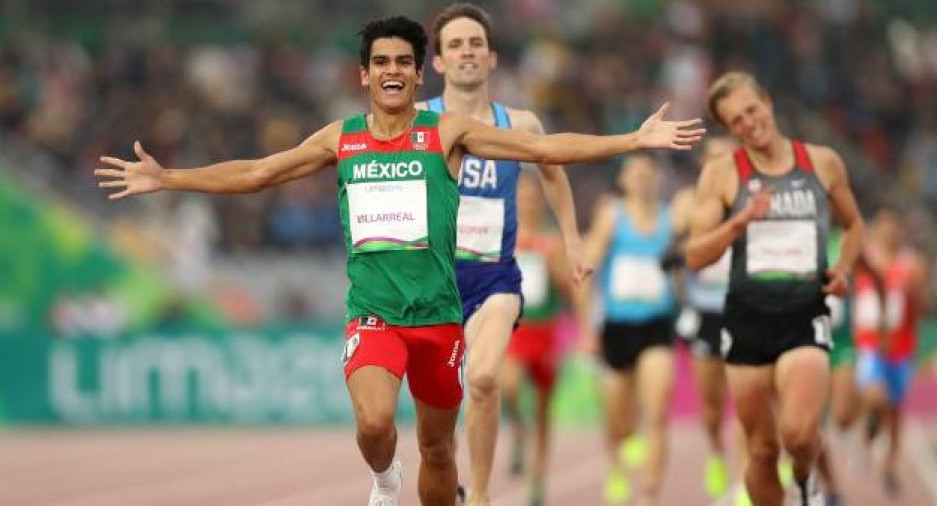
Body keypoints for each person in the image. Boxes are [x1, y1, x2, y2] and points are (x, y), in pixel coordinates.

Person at [95, 15, 704, 506]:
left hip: (439, 315)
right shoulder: (343, 138)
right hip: (375, 312)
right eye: (381, 62)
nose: (392, 71)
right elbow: (258, 172)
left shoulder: (446, 134)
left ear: (418, 75)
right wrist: (169, 177)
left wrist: (631, 140)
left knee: (439, 454)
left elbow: (542, 149)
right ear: (364, 75)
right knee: (374, 423)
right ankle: (385, 481)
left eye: (403, 63)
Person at [417, 5, 591, 504]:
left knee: (487, 377)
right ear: (440, 64)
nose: (467, 52)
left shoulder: (519, 124)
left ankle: (484, 495)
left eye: (475, 44)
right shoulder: (419, 122)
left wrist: (574, 240)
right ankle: (449, 486)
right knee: (438, 414)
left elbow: (554, 171)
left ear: (492, 59)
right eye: (455, 45)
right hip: (432, 282)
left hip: (494, 278)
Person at [686, 71, 866, 506]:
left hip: (804, 315)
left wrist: (842, 267)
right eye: (736, 121)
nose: (749, 123)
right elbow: (695, 255)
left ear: (767, 102)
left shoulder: (821, 162)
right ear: (730, 131)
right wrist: (739, 221)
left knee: (800, 434)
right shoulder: (722, 174)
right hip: (746, 320)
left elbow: (854, 224)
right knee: (763, 450)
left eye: (751, 110)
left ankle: (805, 479)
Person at [579, 153, 680, 506]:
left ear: (657, 179)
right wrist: (588, 327)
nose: (641, 179)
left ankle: (649, 494)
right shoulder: (612, 216)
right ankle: (618, 465)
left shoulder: (671, 219)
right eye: (634, 173)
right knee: (618, 418)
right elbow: (585, 269)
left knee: (657, 412)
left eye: (647, 173)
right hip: (616, 327)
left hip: (657, 325)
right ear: (622, 180)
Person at [498, 172, 571, 506]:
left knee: (543, 410)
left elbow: (568, 288)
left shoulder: (553, 239)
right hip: (515, 328)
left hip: (545, 329)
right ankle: (517, 429)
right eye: (522, 196)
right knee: (509, 386)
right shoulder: (504, 235)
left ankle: (538, 478)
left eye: (533, 196)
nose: (528, 201)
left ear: (540, 200)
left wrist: (555, 264)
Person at [672, 135, 737, 502]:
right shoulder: (688, 202)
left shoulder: (750, 197)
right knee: (712, 403)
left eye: (727, 157)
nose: (720, 163)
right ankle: (716, 451)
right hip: (704, 311)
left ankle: (752, 469)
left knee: (751, 395)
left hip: (744, 311)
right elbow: (674, 255)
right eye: (713, 158)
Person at [853, 208, 930, 498]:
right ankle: (868, 435)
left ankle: (888, 468)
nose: (888, 232)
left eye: (892, 227)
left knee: (895, 415)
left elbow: (923, 310)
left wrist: (914, 291)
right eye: (882, 227)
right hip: (871, 347)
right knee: (875, 396)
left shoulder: (913, 265)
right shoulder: (865, 260)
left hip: (902, 350)